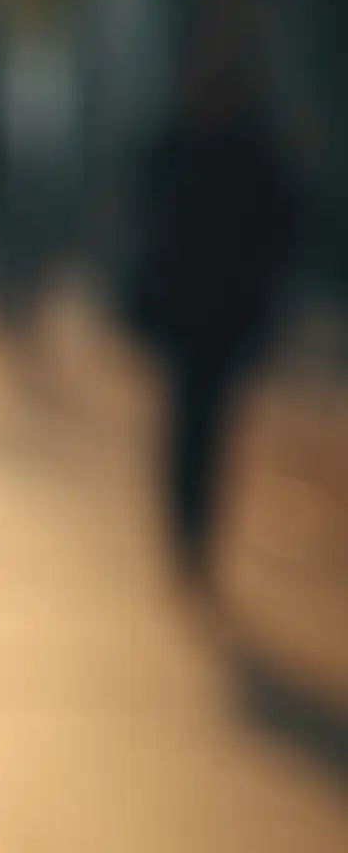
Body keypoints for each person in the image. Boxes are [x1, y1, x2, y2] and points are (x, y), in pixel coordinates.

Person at [127, 37, 305, 576]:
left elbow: (282, 231)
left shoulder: (244, 151)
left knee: (208, 419)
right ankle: (187, 516)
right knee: (192, 415)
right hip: (194, 309)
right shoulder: (192, 144)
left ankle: (195, 518)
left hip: (223, 312)